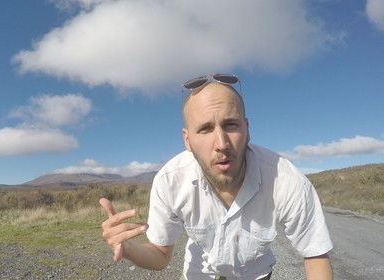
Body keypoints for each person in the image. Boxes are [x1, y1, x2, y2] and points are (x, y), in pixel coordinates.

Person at [99, 74, 333, 280]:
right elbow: (160, 256)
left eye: (231, 125)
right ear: (187, 140)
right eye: (205, 129)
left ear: (247, 129)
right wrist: (129, 249)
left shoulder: (286, 179)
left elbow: (315, 254)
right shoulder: (170, 181)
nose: (221, 144)